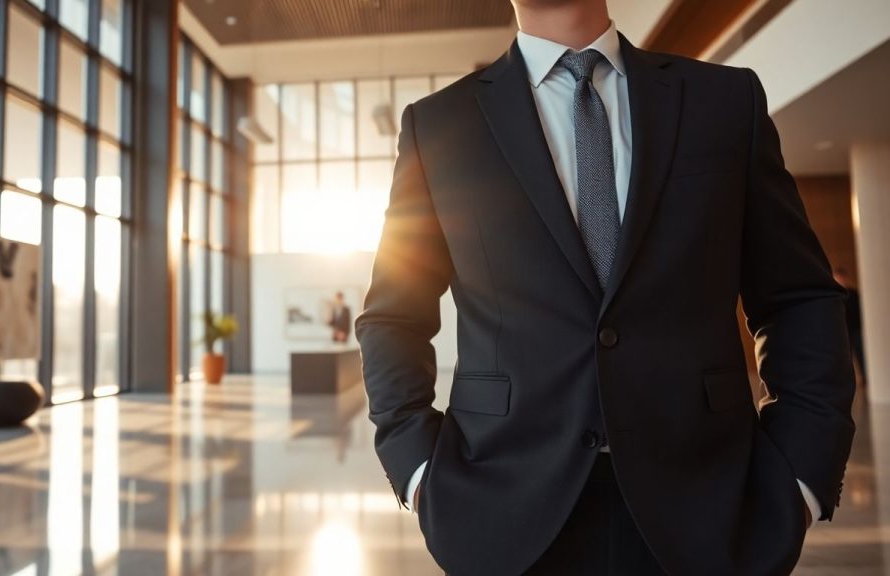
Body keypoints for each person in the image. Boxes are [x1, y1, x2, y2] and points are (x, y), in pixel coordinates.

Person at [354, 0, 856, 574]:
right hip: (503, 512)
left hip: (711, 505)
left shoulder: (724, 100)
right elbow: (393, 317)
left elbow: (798, 297)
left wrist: (802, 475)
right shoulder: (440, 124)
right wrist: (418, 472)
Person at [833, 268, 866, 384]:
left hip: (856, 329)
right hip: (842, 331)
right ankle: (846, 381)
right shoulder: (834, 297)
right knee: (845, 357)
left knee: (861, 354)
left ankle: (864, 377)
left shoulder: (854, 294)